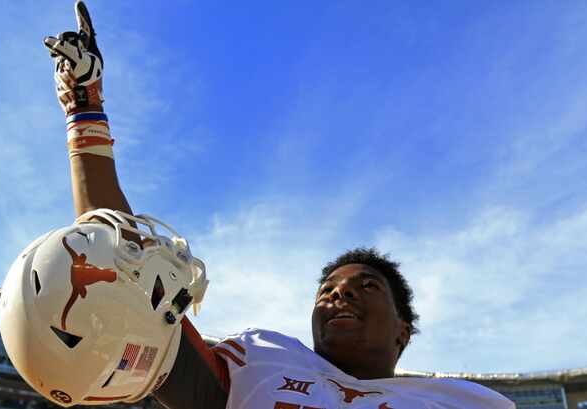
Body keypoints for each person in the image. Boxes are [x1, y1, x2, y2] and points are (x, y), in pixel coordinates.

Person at [41, 2, 516, 409]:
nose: (338, 294)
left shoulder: (463, 399)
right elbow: (123, 266)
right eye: (327, 288)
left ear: (403, 331)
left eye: (365, 286)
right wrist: (85, 109)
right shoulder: (260, 362)